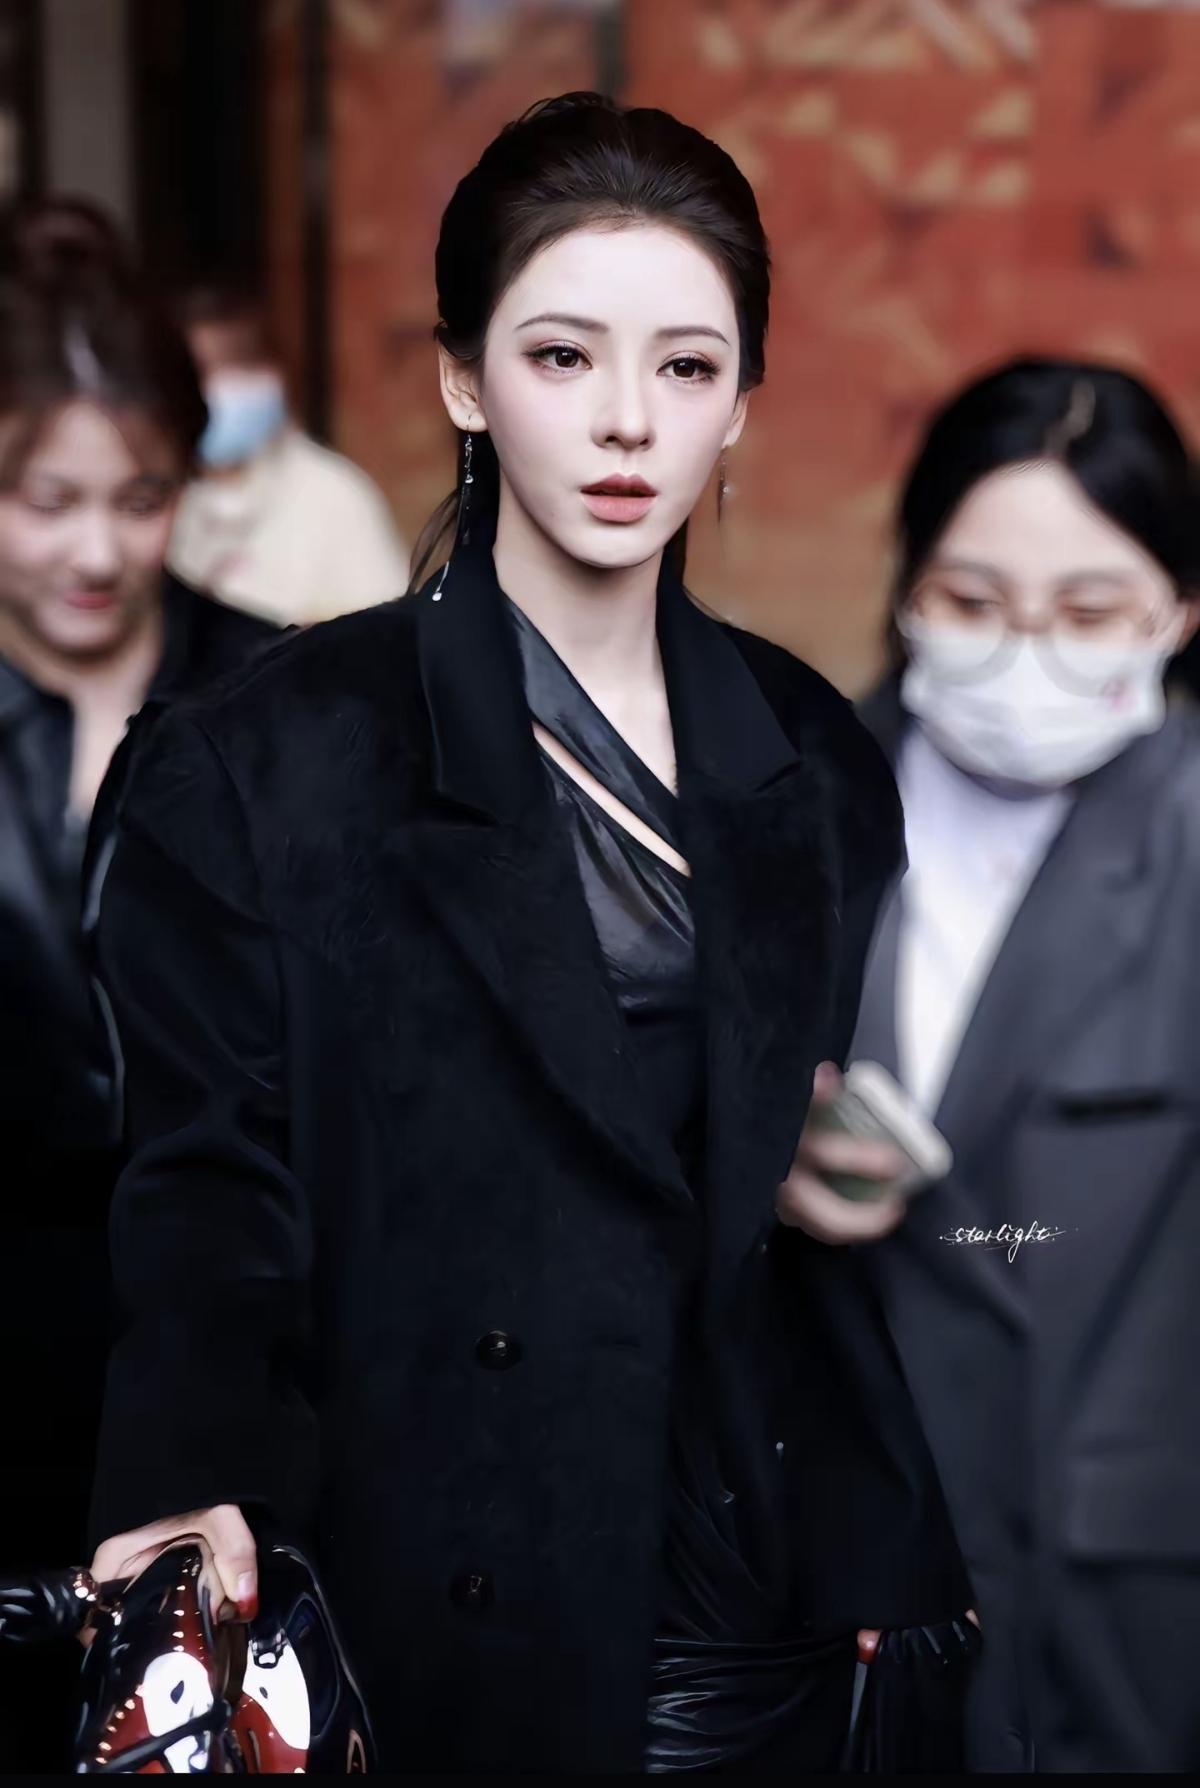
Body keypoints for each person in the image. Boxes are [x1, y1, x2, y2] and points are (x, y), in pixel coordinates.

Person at [86, 94, 976, 1775]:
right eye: (563, 356)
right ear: (462, 380)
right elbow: (207, 1185)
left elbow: (770, 1166)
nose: (628, 420)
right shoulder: (266, 756)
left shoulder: (816, 759)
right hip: (430, 1553)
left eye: (688, 367)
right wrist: (192, 1479)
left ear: (742, 401)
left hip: (745, 1580)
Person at [783, 357, 1200, 1772]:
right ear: (907, 589)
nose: (1026, 656)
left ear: (1179, 612)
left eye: (1089, 613)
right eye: (972, 602)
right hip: (845, 1566)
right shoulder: (789, 805)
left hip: (1128, 1584)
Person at [0, 213, 277, 1771]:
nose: (96, 553)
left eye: (141, 496)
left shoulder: (280, 699)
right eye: (44, 501)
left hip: (222, 1366)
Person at [167, 283, 409, 623]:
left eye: (241, 365)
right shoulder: (158, 496)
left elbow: (388, 632)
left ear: (277, 372)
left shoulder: (335, 494)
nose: (220, 387)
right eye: (202, 372)